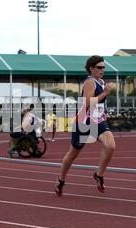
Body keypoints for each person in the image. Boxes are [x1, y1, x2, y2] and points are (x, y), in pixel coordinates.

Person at [55, 55, 116, 197]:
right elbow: (87, 103)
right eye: (100, 67)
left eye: (104, 67)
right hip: (84, 122)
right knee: (72, 154)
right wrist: (106, 92)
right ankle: (61, 180)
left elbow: (99, 104)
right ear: (91, 68)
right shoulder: (90, 82)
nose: (103, 70)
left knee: (111, 146)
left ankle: (98, 175)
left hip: (98, 120)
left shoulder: (101, 81)